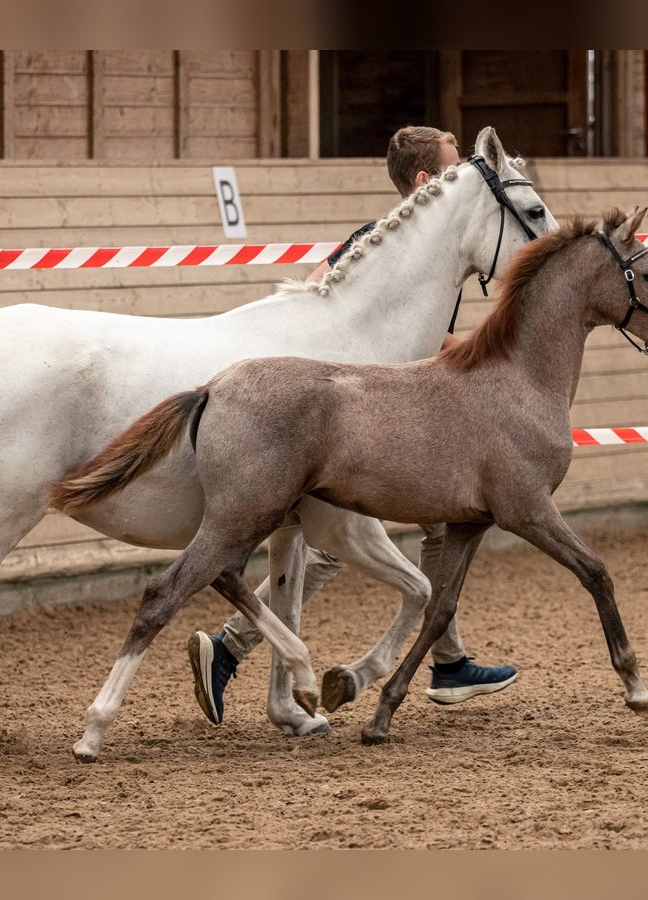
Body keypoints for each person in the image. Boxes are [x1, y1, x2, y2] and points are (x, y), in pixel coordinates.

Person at [188, 126, 518, 726]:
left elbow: (328, 284)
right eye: (455, 168)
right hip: (370, 420)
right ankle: (238, 647)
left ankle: (444, 660)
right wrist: (473, 354)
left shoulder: (403, 246)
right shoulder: (392, 246)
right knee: (380, 535)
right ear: (428, 183)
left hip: (384, 413)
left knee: (407, 527)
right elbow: (324, 296)